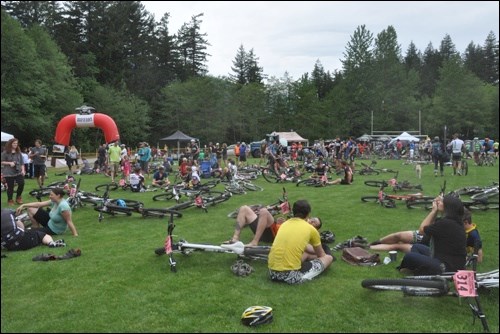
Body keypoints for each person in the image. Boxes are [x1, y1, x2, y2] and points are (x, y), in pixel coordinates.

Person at [268, 200, 334, 284]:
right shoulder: (311, 230)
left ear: (293, 211)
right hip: (290, 276)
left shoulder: (284, 224)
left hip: (272, 273)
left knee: (305, 254)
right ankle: (304, 274)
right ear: (308, 214)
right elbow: (321, 255)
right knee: (329, 258)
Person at [398, 195, 466, 275]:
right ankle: (420, 269)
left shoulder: (445, 223)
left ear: (447, 207)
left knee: (409, 256)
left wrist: (433, 211)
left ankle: (420, 269)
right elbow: (430, 227)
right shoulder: (456, 222)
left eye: (441, 202)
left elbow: (421, 230)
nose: (438, 203)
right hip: (453, 263)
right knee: (416, 247)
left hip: (446, 267)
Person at [224, 205, 322, 247]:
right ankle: (235, 238)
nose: (312, 221)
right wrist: (279, 222)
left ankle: (255, 242)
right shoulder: (299, 220)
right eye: (313, 219)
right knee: (244, 208)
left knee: (264, 211)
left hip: (273, 236)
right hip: (269, 229)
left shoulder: (309, 230)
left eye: (314, 223)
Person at [1, 209, 66, 251]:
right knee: (40, 234)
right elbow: (21, 227)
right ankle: (51, 243)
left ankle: (50, 242)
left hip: (9, 246)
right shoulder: (8, 212)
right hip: (21, 240)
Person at [1, 138, 26, 206]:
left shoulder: (18, 152)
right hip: (8, 172)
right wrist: (9, 163)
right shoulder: (5, 152)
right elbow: (1, 161)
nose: (15, 145)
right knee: (10, 186)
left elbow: (22, 162)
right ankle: (10, 200)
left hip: (18, 171)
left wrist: (23, 170)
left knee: (21, 183)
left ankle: (18, 197)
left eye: (16, 143)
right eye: (14, 143)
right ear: (10, 144)